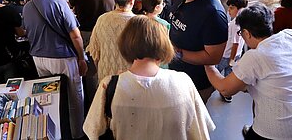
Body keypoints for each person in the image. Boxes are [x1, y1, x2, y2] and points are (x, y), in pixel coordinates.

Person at [84, 16, 215, 140]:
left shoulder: (109, 86)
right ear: (163, 44)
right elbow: (201, 131)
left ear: (126, 44)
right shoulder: (183, 81)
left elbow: (93, 131)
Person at [205, 3, 292, 140]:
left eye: (241, 33)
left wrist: (208, 64)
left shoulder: (256, 56)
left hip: (274, 131)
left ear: (247, 33)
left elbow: (225, 89)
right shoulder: (288, 35)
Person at [23, 0, 87, 139]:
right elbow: (75, 35)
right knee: (74, 95)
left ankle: (54, 132)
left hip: (38, 58)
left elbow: (27, 32)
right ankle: (77, 132)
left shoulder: (27, 7)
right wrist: (81, 58)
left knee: (49, 98)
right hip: (62, 57)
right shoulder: (59, 3)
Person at [167, 0, 228, 103]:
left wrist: (176, 52)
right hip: (177, 75)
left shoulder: (213, 14)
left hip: (196, 84)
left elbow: (213, 57)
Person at [86, 0, 136, 82]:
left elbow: (94, 52)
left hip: (106, 77)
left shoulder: (102, 20)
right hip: (130, 80)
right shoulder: (138, 23)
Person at [216, 0, 248, 103]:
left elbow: (235, 44)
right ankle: (227, 93)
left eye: (231, 8)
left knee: (215, 71)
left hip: (228, 55)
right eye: (228, 7)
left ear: (240, 9)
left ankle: (212, 89)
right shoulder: (243, 22)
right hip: (236, 55)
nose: (229, 10)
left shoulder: (236, 24)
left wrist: (231, 60)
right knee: (229, 75)